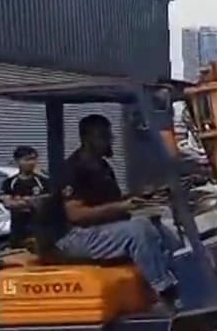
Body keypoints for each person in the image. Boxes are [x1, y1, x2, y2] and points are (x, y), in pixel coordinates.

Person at [54, 114, 180, 312]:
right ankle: (165, 291)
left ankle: (183, 280)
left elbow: (112, 202)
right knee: (138, 230)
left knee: (159, 227)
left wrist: (143, 196)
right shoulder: (73, 169)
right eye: (104, 136)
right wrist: (122, 207)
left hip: (97, 231)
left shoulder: (102, 167)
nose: (110, 140)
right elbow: (75, 215)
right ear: (87, 138)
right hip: (74, 237)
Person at [0, 146, 50, 248]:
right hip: (18, 230)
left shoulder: (43, 181)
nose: (31, 163)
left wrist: (24, 201)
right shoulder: (10, 183)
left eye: (33, 159)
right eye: (27, 160)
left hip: (38, 230)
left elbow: (48, 200)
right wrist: (32, 201)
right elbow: (8, 203)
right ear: (18, 161)